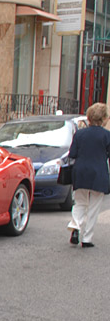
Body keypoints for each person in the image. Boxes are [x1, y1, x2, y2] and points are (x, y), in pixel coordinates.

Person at [67, 101, 110, 248]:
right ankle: (87, 238)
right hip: (98, 174)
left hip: (80, 172)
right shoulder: (107, 135)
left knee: (79, 203)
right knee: (94, 207)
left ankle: (75, 226)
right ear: (103, 118)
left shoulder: (79, 134)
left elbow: (72, 154)